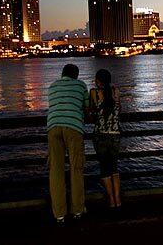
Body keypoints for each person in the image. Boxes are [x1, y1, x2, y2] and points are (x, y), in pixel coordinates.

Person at [47, 64, 89, 224]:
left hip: (53, 127)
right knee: (76, 168)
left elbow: (53, 106)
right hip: (73, 127)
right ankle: (77, 210)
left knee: (56, 170)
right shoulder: (80, 85)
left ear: (62, 74)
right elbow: (87, 107)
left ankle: (59, 214)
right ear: (76, 75)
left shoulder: (52, 86)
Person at [89, 69, 122, 208]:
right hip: (115, 135)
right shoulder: (116, 91)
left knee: (104, 168)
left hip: (100, 135)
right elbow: (119, 109)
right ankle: (118, 200)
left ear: (98, 80)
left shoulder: (94, 93)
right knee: (114, 168)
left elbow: (91, 112)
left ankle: (111, 200)